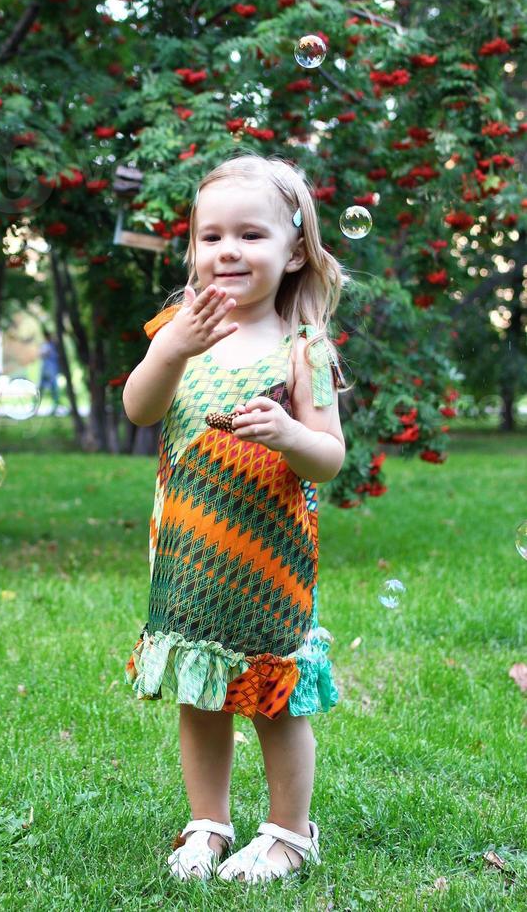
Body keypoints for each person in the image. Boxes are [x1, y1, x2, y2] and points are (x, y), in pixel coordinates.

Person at [123, 151, 351, 884]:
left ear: (292, 254)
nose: (227, 250)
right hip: (189, 561)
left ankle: (289, 832)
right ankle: (208, 821)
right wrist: (172, 348)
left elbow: (328, 457)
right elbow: (139, 408)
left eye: (250, 235)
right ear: (192, 248)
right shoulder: (179, 332)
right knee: (200, 693)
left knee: (274, 701)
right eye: (210, 235)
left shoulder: (303, 348)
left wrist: (289, 435)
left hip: (268, 565)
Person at [39, 329, 60, 413]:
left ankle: (55, 407)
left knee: (54, 389)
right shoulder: (45, 345)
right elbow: (42, 354)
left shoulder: (53, 346)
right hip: (45, 369)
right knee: (41, 388)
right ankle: (36, 405)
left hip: (52, 370)